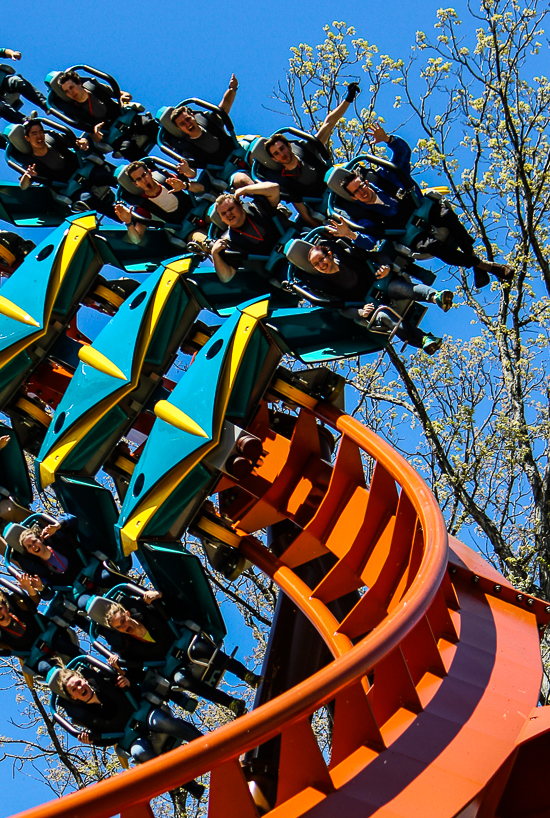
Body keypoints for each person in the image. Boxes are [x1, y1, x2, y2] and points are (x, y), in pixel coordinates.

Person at [332, 121, 512, 288]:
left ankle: (474, 260)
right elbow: (369, 242)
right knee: (433, 247)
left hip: (422, 207)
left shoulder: (385, 177)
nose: (362, 191)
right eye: (356, 192)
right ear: (354, 197)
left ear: (366, 182)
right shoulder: (364, 214)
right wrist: (350, 235)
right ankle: (484, 265)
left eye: (361, 185)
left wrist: (388, 139)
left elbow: (403, 153)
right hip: (409, 233)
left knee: (446, 216)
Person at [97, 588, 261, 717]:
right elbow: (135, 674)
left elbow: (178, 607)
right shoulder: (127, 648)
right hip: (169, 663)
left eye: (123, 621)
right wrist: (119, 669)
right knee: (183, 681)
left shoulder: (146, 609)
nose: (125, 627)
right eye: (119, 627)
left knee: (206, 651)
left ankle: (247, 676)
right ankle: (232, 703)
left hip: (182, 642)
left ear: (127, 613)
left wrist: (160, 596)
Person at [56, 661, 204, 796]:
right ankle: (190, 786)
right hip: (128, 735)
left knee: (166, 723)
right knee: (141, 754)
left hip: (140, 713)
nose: (79, 688)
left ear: (85, 680)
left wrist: (127, 682)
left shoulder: (105, 681)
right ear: (73, 697)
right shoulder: (85, 717)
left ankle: (205, 743)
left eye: (79, 683)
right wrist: (92, 740)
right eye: (74, 689)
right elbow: (107, 737)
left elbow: (135, 690)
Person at [306, 242, 446, 354]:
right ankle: (424, 339)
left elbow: (376, 256)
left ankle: (436, 296)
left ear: (329, 254)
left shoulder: (348, 255)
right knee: (386, 316)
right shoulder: (327, 287)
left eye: (321, 259)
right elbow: (342, 309)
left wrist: (385, 266)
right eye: (316, 264)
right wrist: (360, 312)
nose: (321, 265)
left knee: (401, 288)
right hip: (369, 305)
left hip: (381, 284)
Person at [263, 82, 361, 227]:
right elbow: (305, 214)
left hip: (339, 184)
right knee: (349, 216)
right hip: (327, 203)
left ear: (289, 146)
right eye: (276, 153)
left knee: (361, 175)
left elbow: (329, 122)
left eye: (282, 148)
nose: (282, 154)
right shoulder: (286, 182)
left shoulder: (305, 149)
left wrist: (349, 98)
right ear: (274, 159)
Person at [17, 119, 117, 217]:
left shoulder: (52, 138)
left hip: (82, 170)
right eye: (34, 133)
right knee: (88, 199)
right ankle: (125, 218)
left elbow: (75, 141)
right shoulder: (30, 162)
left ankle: (131, 191)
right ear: (27, 138)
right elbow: (24, 185)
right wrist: (28, 176)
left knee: (110, 177)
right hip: (70, 186)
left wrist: (82, 142)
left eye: (41, 132)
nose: (39, 136)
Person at [167, 74, 251, 186]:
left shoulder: (208, 121)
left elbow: (224, 107)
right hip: (227, 170)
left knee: (258, 148)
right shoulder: (188, 147)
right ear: (179, 128)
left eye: (188, 119)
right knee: (243, 180)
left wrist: (232, 89)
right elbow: (192, 173)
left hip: (239, 150)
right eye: (182, 124)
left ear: (192, 115)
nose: (188, 124)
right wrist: (186, 170)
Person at [56, 70, 157, 160]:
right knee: (128, 150)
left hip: (125, 118)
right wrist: (97, 135)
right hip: (114, 134)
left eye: (71, 87)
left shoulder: (93, 87)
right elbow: (93, 136)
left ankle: (170, 142)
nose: (71, 92)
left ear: (79, 83)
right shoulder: (74, 111)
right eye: (66, 92)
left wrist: (124, 100)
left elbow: (124, 95)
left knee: (150, 125)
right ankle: (152, 171)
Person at [114, 160, 208, 247]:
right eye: (138, 179)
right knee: (206, 243)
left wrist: (184, 185)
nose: (144, 180)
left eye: (144, 175)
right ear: (136, 184)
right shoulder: (143, 206)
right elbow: (136, 239)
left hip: (200, 211)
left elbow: (201, 188)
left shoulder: (166, 179)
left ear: (150, 173)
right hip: (188, 229)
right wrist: (128, 222)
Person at [211, 182, 289, 282]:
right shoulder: (229, 243)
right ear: (221, 219)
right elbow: (226, 277)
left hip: (293, 242)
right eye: (223, 213)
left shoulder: (257, 207)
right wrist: (215, 254)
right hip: (279, 267)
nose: (228, 214)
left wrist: (245, 190)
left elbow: (275, 189)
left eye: (231, 208)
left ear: (239, 204)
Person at [0, 585, 80, 675]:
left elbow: (32, 602)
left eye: (0, 609)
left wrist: (30, 589)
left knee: (65, 646)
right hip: (37, 656)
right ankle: (66, 682)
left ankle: (87, 665)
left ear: (6, 606)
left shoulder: (16, 605)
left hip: (50, 635)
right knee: (49, 671)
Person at [0, 49, 49, 124]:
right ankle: (25, 121)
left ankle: (45, 104)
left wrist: (12, 54)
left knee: (17, 81)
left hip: (3, 84)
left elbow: (3, 51)